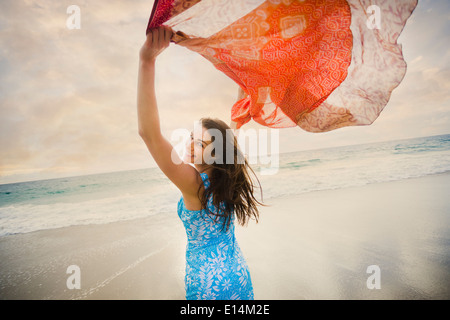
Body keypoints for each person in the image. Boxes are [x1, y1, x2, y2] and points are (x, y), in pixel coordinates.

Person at [137, 26, 265, 300]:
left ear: (215, 155)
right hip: (237, 274)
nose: (190, 144)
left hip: (209, 285)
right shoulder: (226, 175)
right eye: (193, 137)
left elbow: (149, 133)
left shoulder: (194, 184)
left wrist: (147, 61)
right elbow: (232, 129)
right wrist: (242, 67)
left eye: (200, 144)